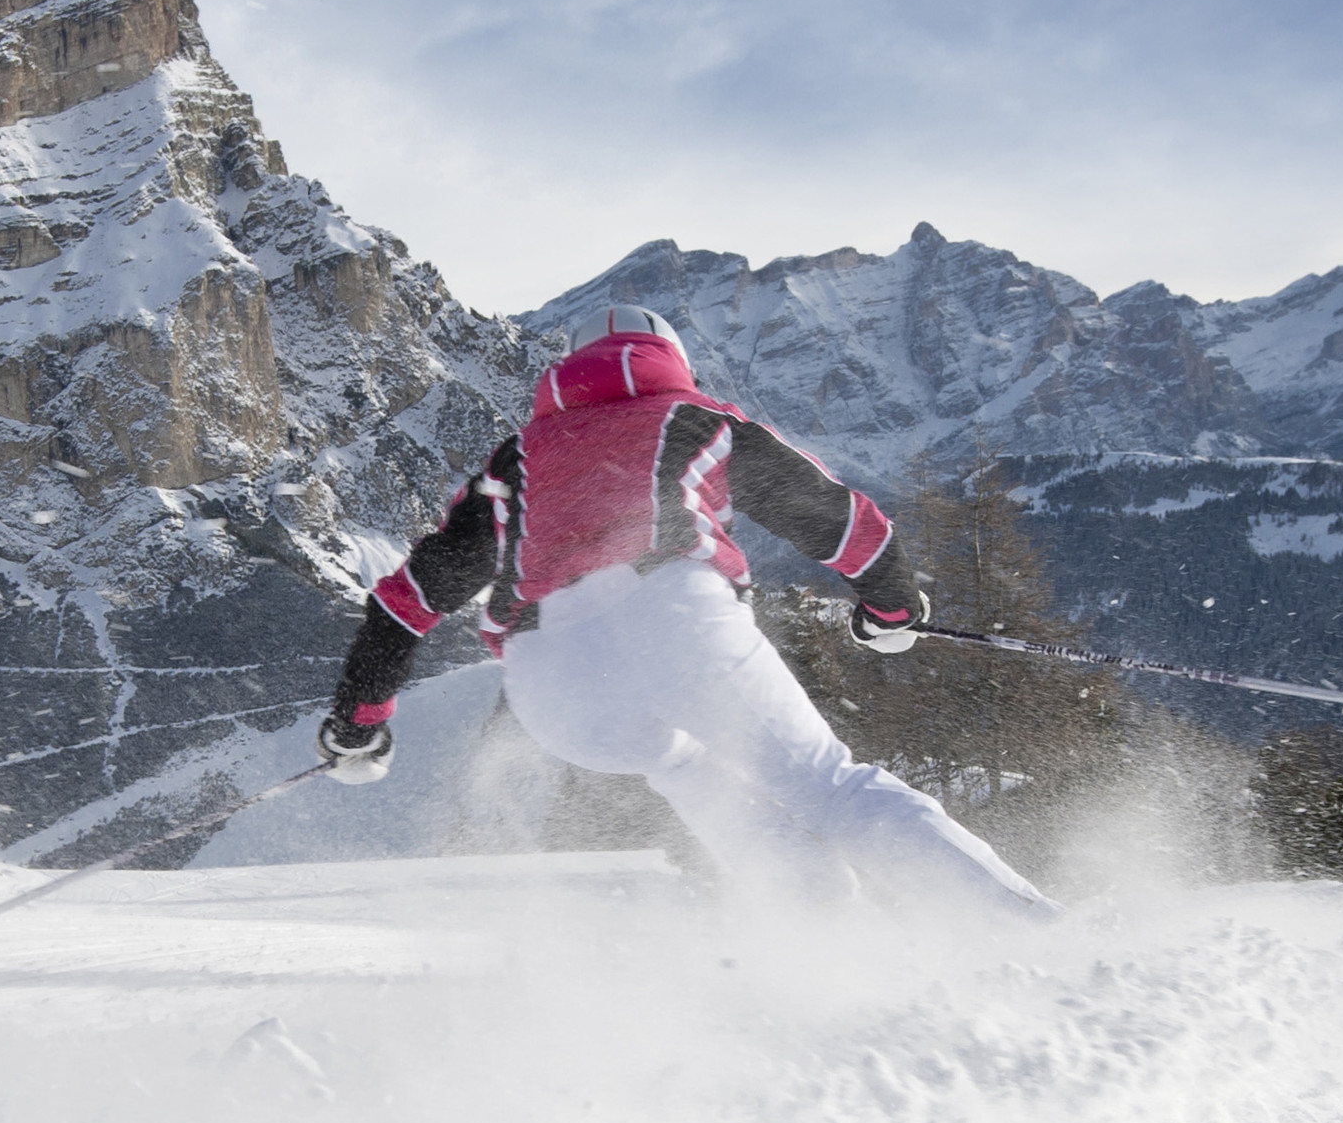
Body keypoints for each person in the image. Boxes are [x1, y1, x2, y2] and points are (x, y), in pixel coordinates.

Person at [314, 304, 1051, 915]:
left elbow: (405, 603)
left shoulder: (517, 458)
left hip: (551, 683)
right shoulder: (695, 417)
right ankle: (1029, 936)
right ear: (672, 356)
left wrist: (359, 724)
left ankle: (834, 959)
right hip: (669, 611)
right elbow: (838, 519)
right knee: (827, 784)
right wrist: (891, 609)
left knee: (696, 773)